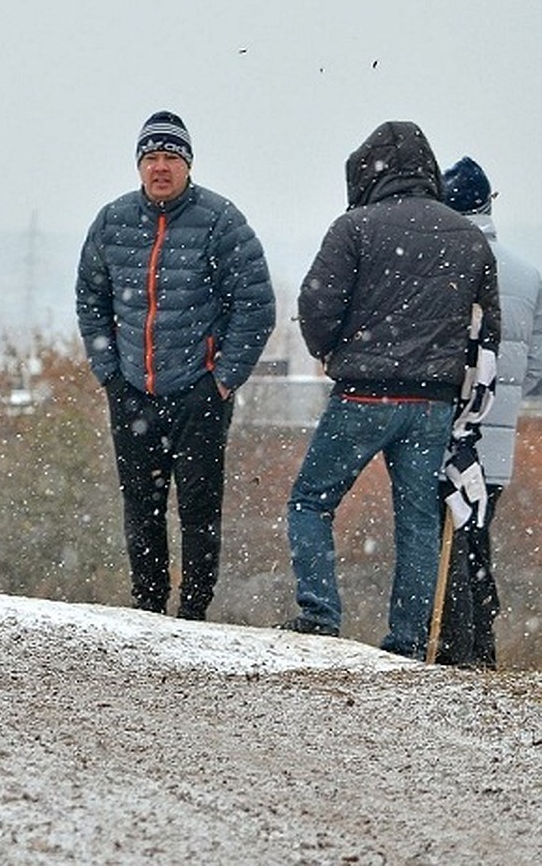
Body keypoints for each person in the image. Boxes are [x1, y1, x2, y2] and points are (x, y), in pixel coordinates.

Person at [278, 122, 500, 660]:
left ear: (368, 171)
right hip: (432, 404)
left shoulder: (354, 228)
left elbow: (316, 304)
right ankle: (404, 640)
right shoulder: (469, 238)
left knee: (311, 501)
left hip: (362, 396)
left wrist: (330, 352)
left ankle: (320, 614)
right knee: (419, 523)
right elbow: (484, 332)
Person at [75, 110, 275, 619]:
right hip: (132, 391)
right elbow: (90, 300)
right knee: (142, 505)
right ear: (139, 165)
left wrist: (224, 380)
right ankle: (147, 604)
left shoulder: (220, 221)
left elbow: (255, 305)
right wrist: (109, 375)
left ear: (188, 164)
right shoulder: (112, 221)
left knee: (199, 508)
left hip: (198, 392)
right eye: (151, 158)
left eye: (170, 157)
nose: (160, 167)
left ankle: (193, 609)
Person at [437, 156, 542, 668]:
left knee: (448, 543)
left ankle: (458, 649)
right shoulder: (528, 274)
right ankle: (482, 642)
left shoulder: (445, 264)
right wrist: (501, 401)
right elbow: (537, 368)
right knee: (476, 536)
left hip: (447, 432)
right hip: (497, 443)